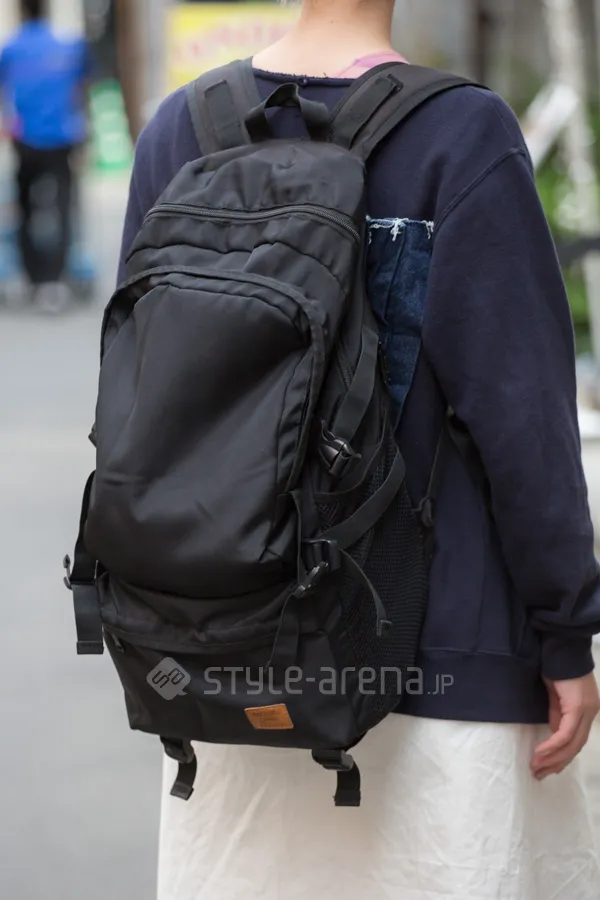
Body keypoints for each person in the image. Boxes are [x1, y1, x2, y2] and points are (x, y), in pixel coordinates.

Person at [116, 1, 600, 897]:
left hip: (218, 663)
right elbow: (521, 419)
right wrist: (567, 631)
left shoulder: (178, 130)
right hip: (435, 669)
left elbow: (138, 397)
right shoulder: (461, 132)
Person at [0, 0, 92, 312]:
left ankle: (33, 277)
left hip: (25, 139)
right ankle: (56, 279)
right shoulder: (69, 47)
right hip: (62, 138)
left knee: (24, 208)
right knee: (64, 207)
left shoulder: (11, 49)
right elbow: (83, 87)